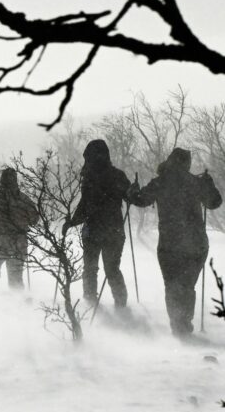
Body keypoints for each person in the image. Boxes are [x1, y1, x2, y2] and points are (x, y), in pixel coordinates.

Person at [128, 147, 222, 337]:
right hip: (196, 244)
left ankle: (177, 327)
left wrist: (132, 191)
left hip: (170, 244)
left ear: (170, 161)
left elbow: (139, 200)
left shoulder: (160, 183)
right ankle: (184, 326)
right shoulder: (195, 182)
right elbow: (214, 202)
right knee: (187, 286)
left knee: (172, 286)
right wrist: (208, 184)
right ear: (186, 163)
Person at [62, 139, 130, 311]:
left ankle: (93, 302)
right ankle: (118, 304)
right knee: (109, 269)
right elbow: (131, 197)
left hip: (95, 230)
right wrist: (72, 222)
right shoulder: (116, 176)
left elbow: (85, 206)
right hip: (111, 230)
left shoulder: (91, 177)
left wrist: (72, 222)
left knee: (94, 269)